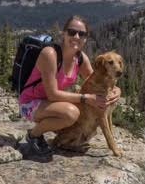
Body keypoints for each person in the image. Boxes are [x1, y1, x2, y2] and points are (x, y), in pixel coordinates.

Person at [18, 15, 121, 157]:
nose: (76, 37)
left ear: (86, 38)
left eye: (82, 34)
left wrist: (117, 90)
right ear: (64, 33)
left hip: (53, 104)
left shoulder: (80, 58)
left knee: (76, 114)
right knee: (71, 113)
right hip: (31, 103)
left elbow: (97, 81)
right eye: (72, 32)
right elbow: (52, 94)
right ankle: (33, 135)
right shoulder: (50, 54)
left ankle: (64, 135)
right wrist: (86, 98)